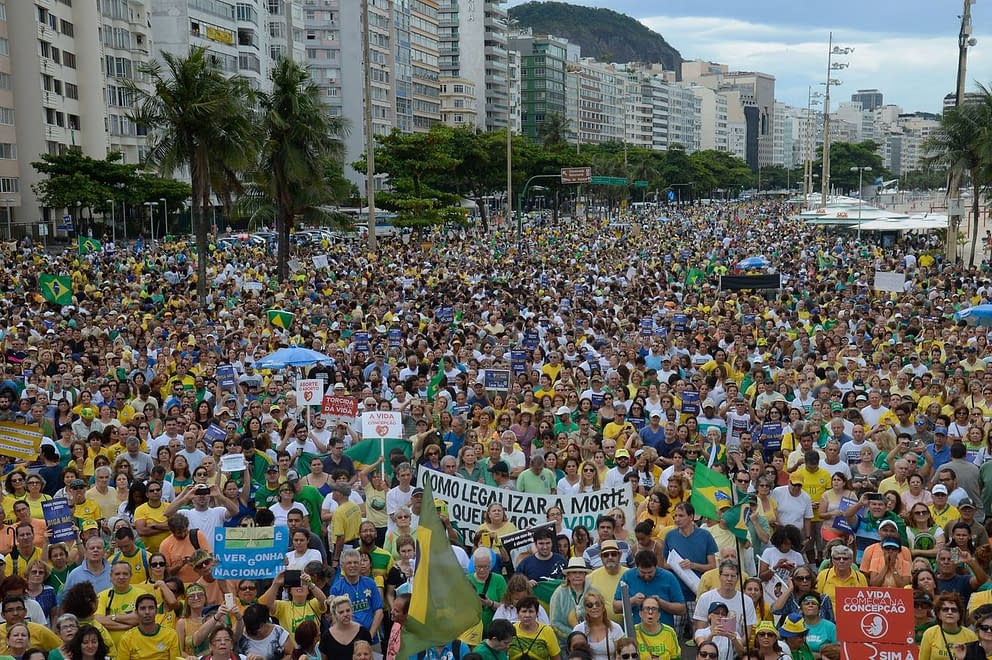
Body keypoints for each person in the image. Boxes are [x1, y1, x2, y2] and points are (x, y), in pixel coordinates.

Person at [612, 550, 684, 627]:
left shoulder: (669, 577)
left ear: (656, 566)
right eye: (642, 572)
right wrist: (633, 601)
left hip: (663, 632)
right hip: (635, 632)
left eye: (650, 572)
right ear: (636, 567)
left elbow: (681, 609)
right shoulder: (627, 576)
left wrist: (661, 603)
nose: (646, 576)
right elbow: (616, 608)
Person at [330, 550, 384, 644]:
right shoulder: (336, 588)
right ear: (342, 566)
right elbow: (335, 618)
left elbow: (379, 612)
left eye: (355, 562)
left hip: (372, 638)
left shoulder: (370, 583)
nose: (353, 565)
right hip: (348, 641)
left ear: (359, 565)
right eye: (349, 563)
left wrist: (369, 637)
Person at [117, 592, 181, 659]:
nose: (147, 612)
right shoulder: (126, 638)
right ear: (136, 612)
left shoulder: (171, 635)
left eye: (151, 608)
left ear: (156, 611)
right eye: (142, 608)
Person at [919, 593, 976, 660]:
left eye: (954, 610)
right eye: (945, 609)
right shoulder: (929, 633)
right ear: (938, 614)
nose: (950, 612)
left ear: (959, 615)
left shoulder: (971, 636)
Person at [569, 590, 622, 660]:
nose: (594, 607)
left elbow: (620, 654)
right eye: (590, 605)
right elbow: (574, 654)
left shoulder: (615, 628)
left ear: (603, 607)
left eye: (598, 604)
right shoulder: (579, 629)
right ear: (585, 609)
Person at [471, 547, 508, 637]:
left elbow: (506, 607)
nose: (482, 570)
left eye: (485, 567)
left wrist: (490, 603)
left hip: (495, 632)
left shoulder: (498, 580)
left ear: (490, 565)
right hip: (472, 632)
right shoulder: (466, 580)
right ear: (473, 565)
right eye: (478, 567)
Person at [321, 595, 372, 659]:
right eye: (341, 612)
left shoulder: (363, 632)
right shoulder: (327, 636)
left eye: (348, 610)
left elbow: (370, 656)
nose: (345, 614)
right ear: (334, 614)